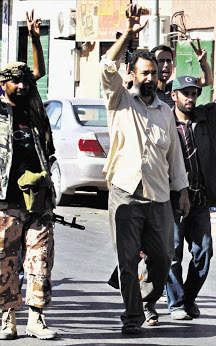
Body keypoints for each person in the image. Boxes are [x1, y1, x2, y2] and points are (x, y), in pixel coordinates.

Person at [100, 4, 189, 334]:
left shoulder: (165, 111)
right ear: (134, 75)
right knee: (127, 260)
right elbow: (106, 68)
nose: (151, 78)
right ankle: (133, 316)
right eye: (145, 73)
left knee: (164, 258)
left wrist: (182, 190)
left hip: (159, 196)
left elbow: (174, 158)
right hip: (125, 192)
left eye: (155, 73)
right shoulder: (120, 100)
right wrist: (127, 33)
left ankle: (144, 298)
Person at [162, 49, 216, 321]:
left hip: (200, 200)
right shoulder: (165, 122)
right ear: (174, 95)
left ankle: (187, 297)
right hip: (172, 200)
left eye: (194, 93)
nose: (190, 97)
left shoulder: (206, 117)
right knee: (172, 255)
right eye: (185, 93)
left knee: (203, 253)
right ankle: (176, 303)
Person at [0, 10, 58, 340]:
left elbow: (39, 72)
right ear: (2, 84)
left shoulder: (33, 108)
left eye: (25, 81)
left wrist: (36, 39)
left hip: (38, 199)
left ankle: (36, 318)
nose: (21, 85)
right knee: (6, 260)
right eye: (14, 81)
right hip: (5, 199)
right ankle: (8, 317)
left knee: (40, 259)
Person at [152, 40, 213, 107]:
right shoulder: (147, 91)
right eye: (161, 61)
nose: (166, 65)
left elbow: (206, 81)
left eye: (169, 61)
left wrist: (203, 63)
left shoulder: (176, 86)